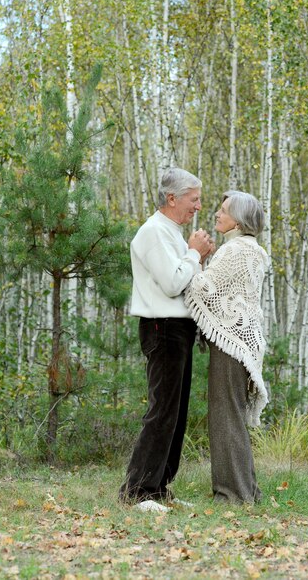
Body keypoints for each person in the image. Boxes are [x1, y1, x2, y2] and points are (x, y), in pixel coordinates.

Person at [119, 167, 213, 511]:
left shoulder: (172, 232)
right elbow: (173, 283)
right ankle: (138, 490)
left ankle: (159, 487)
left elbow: (187, 281)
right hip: (162, 327)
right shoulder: (153, 232)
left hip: (179, 328)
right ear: (171, 198)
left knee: (176, 413)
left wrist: (196, 257)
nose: (198, 206)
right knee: (162, 411)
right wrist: (194, 253)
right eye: (194, 199)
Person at [185, 190, 269, 504]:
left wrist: (191, 257)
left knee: (225, 416)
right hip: (240, 340)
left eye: (223, 211)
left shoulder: (236, 250)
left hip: (232, 342)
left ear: (238, 219)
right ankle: (246, 491)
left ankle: (233, 494)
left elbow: (202, 288)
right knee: (230, 414)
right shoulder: (249, 249)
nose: (217, 215)